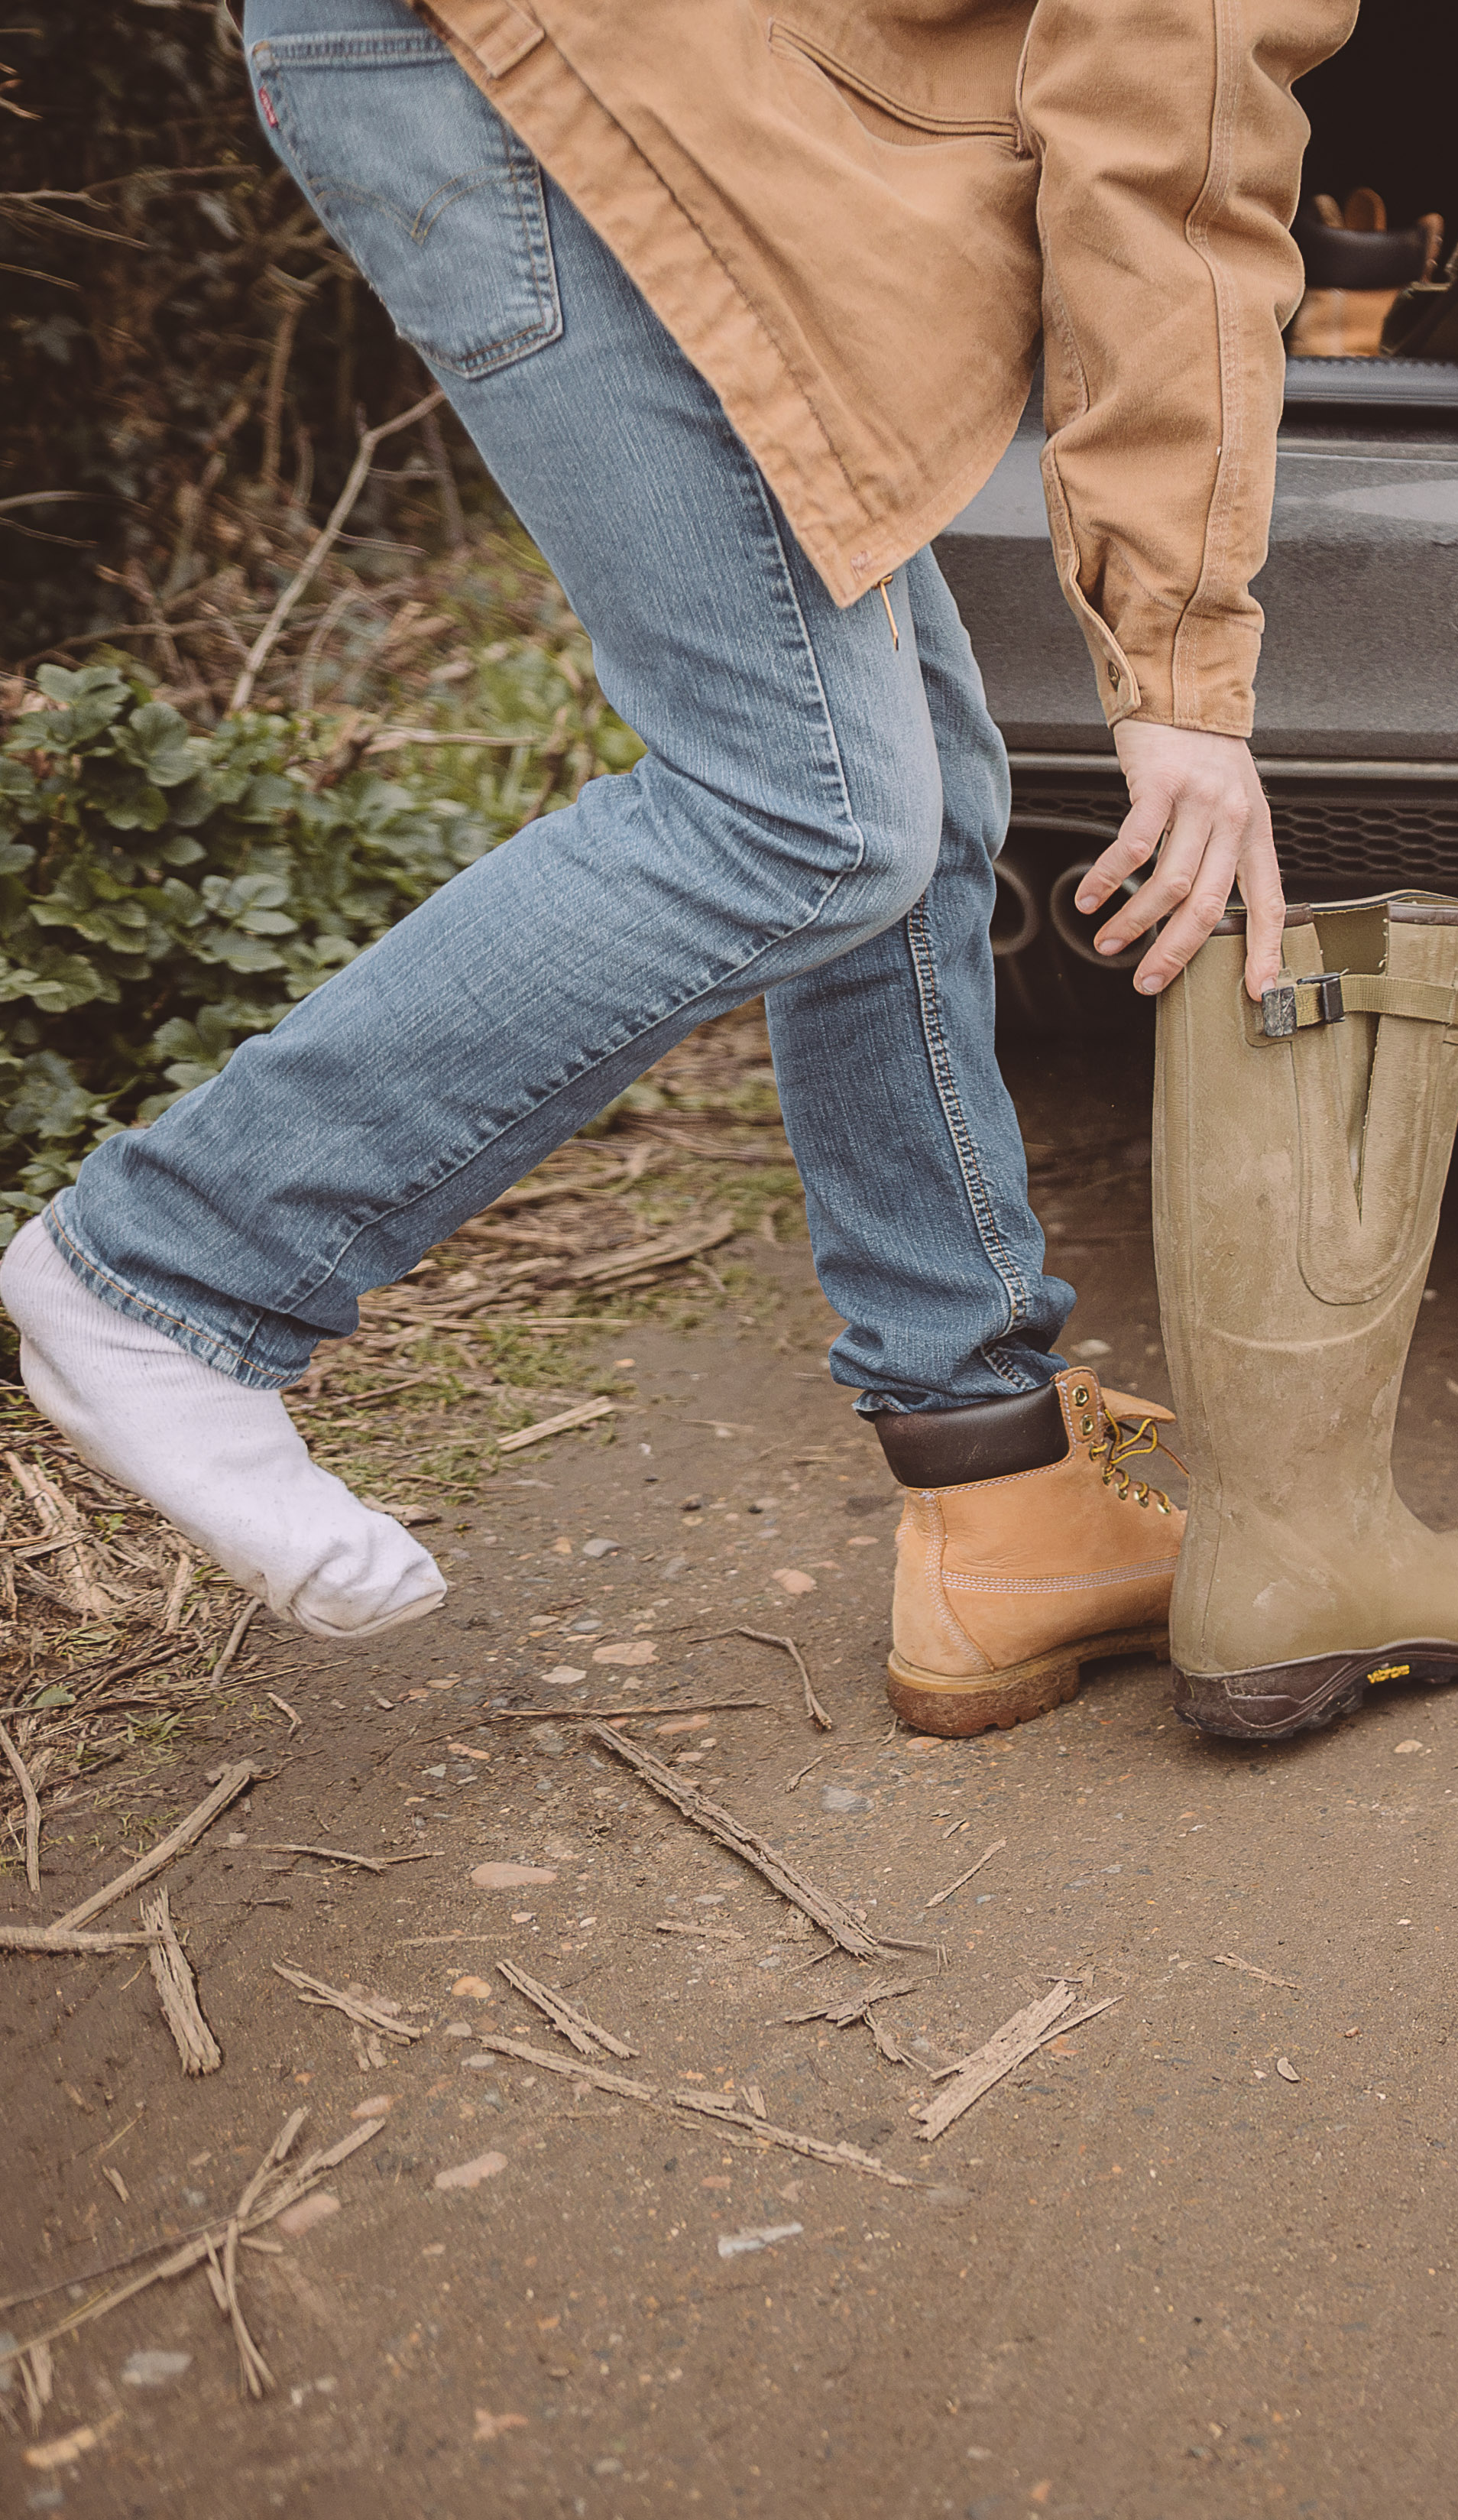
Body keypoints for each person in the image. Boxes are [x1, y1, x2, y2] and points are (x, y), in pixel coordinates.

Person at [0, 0, 1339, 1729]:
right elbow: (1168, 163)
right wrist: (1180, 678)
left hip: (625, 66)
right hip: (556, 60)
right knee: (808, 809)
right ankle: (170, 1268)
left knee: (915, 784)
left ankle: (998, 1476)